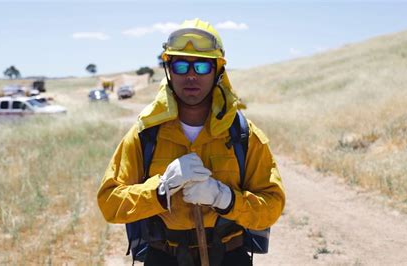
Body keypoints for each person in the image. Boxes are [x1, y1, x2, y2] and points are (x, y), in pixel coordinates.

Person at [97, 18, 285, 266]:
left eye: (202, 67)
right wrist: (161, 189)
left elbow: (272, 206)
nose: (191, 77)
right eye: (182, 66)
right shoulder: (145, 134)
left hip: (230, 257)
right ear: (169, 70)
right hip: (164, 257)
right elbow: (110, 203)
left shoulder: (243, 135)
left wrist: (225, 199)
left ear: (218, 70)